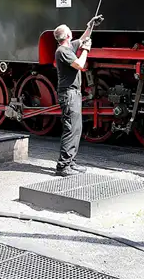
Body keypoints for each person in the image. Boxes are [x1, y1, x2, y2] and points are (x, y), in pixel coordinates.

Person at [53, 24, 92, 176]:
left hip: (73, 93)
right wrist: (86, 50)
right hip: (68, 94)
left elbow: (82, 40)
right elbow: (79, 64)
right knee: (70, 129)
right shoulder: (63, 51)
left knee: (76, 129)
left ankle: (70, 162)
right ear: (68, 36)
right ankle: (63, 167)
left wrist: (90, 26)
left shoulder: (68, 47)